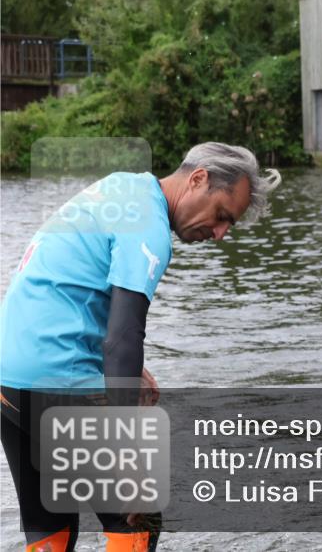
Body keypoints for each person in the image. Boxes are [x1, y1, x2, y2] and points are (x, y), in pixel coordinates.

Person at [1, 142, 281, 552]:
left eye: (229, 226)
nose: (220, 233)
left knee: (49, 527)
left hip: (9, 375)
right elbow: (123, 339)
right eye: (222, 215)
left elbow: (71, 286)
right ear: (198, 178)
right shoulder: (150, 228)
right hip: (57, 377)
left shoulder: (121, 188)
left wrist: (118, 368)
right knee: (138, 517)